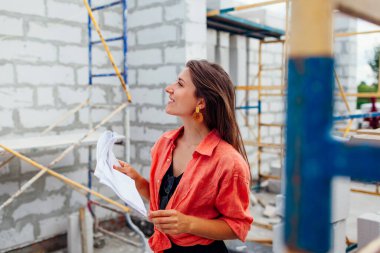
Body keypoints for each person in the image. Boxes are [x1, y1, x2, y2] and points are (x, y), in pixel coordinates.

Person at [113, 59, 253, 253]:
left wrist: (188, 224)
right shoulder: (164, 143)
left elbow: (238, 226)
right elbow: (164, 201)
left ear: (201, 102)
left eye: (180, 84)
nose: (169, 89)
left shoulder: (229, 162)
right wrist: (136, 180)